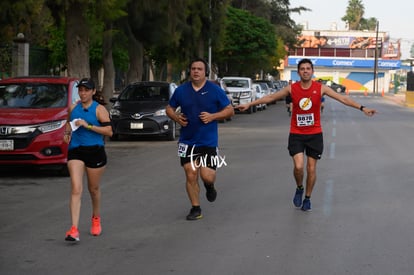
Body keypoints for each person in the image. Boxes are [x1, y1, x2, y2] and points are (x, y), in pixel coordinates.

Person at [237, 58, 376, 211]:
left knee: (311, 169)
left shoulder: (321, 88)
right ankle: (299, 187)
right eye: (302, 69)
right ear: (298, 72)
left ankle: (308, 198)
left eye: (308, 68)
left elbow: (343, 98)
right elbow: (270, 97)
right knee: (298, 166)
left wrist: (362, 108)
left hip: (315, 135)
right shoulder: (292, 88)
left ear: (312, 71)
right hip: (296, 133)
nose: (305, 71)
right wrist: (250, 104)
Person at [166, 58, 234, 220]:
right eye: (193, 69)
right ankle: (195, 208)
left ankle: (209, 186)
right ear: (190, 71)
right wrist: (176, 118)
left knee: (207, 176)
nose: (196, 71)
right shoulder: (181, 90)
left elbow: (230, 110)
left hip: (207, 142)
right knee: (190, 174)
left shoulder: (215, 90)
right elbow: (169, 108)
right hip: (187, 141)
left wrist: (213, 116)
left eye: (199, 69)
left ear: (205, 72)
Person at [63, 78, 113, 241]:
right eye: (81, 90)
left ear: (93, 92)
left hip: (95, 151)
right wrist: (67, 134)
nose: (83, 93)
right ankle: (73, 229)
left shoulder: (99, 110)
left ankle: (96, 217)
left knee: (93, 189)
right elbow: (68, 125)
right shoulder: (74, 107)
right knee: (76, 188)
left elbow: (109, 132)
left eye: (86, 90)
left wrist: (88, 126)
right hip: (76, 150)